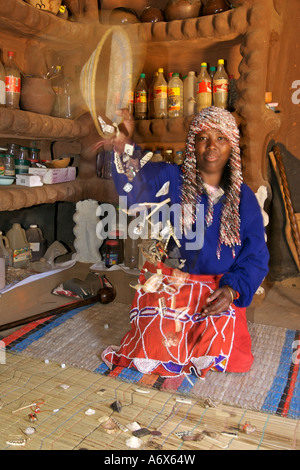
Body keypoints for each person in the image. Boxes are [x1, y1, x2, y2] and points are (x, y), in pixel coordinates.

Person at [101, 106, 269, 379]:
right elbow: (134, 186)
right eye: (203, 138)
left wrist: (231, 291)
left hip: (218, 289)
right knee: (152, 349)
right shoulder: (172, 178)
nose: (211, 147)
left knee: (224, 355)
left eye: (221, 138)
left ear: (232, 147)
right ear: (192, 145)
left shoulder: (243, 198)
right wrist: (125, 145)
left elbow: (256, 255)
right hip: (174, 284)